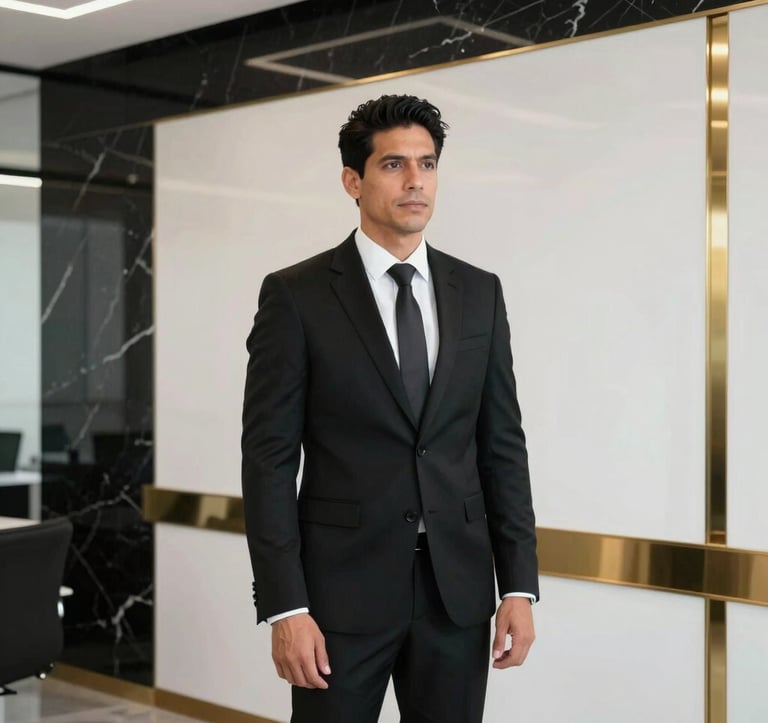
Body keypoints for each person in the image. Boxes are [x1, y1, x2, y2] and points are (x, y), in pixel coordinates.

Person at [241, 94, 539, 723]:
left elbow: (502, 446)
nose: (415, 182)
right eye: (394, 164)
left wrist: (518, 585)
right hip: (338, 598)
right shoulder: (296, 296)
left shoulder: (479, 292)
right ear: (353, 180)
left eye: (427, 164)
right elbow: (268, 461)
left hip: (456, 593)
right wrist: (286, 606)